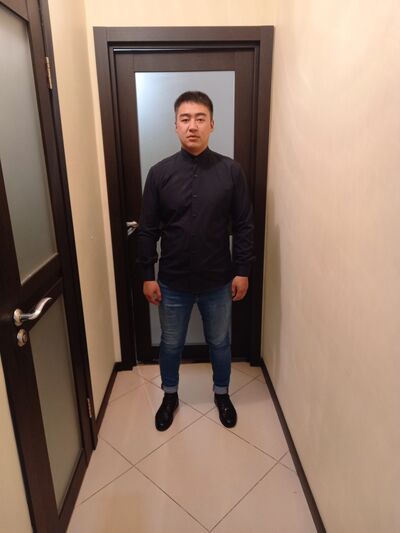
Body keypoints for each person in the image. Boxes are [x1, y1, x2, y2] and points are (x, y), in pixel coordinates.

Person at [137, 91, 254, 431]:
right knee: (171, 343)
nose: (192, 126)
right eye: (185, 119)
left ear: (212, 125)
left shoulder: (231, 172)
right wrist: (147, 274)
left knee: (220, 342)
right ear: (175, 125)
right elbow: (147, 229)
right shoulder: (159, 174)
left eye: (200, 119)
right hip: (173, 281)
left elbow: (244, 225)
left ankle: (222, 393)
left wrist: (243, 270)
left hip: (218, 280)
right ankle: (169, 395)